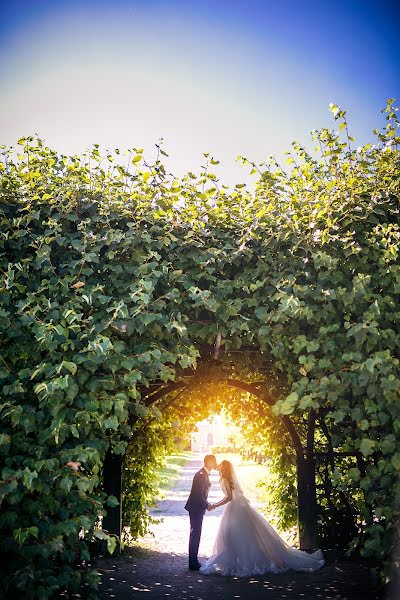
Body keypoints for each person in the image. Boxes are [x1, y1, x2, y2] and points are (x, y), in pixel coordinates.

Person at [200, 460, 325, 577]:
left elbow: (229, 497)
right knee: (242, 535)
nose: (218, 467)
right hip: (238, 508)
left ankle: (239, 562)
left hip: (234, 509)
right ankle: (237, 562)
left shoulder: (225, 480)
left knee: (231, 535)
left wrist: (215, 505)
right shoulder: (228, 478)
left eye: (221, 465)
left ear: (224, 468)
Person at [184, 454, 218, 571]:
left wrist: (207, 504)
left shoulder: (203, 474)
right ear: (208, 462)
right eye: (214, 461)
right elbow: (198, 495)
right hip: (195, 509)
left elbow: (202, 494)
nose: (215, 464)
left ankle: (193, 561)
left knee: (196, 535)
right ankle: (192, 563)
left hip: (198, 508)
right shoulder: (201, 475)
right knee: (195, 535)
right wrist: (207, 505)